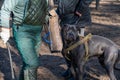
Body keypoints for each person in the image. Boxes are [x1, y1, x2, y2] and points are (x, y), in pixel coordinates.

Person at [0, 0, 52, 80]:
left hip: (37, 31)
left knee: (28, 63)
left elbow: (46, 8)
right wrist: (5, 29)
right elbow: (5, 10)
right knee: (32, 63)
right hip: (22, 31)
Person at [56, 0, 92, 79]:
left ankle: (80, 73)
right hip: (66, 19)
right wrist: (58, 12)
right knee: (65, 49)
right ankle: (71, 70)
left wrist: (80, 9)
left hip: (78, 19)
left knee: (78, 50)